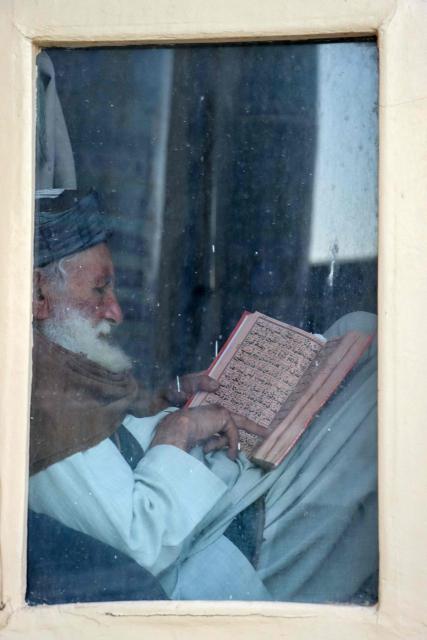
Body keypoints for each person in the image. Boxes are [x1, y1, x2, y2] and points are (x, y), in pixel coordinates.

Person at [29, 192, 378, 603]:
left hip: (218, 496)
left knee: (361, 331)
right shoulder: (47, 404)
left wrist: (165, 404)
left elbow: (109, 447)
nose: (115, 312)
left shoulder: (53, 366)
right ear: (38, 296)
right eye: (100, 291)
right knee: (383, 381)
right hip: (216, 548)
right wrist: (178, 430)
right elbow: (141, 548)